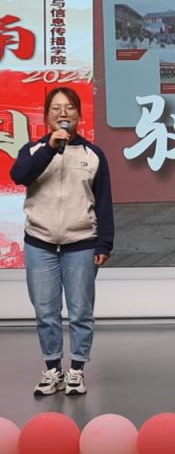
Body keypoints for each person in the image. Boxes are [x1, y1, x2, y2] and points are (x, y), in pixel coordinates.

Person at [10, 87, 114, 397]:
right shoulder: (33, 150)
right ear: (47, 117)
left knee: (80, 310)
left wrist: (104, 244)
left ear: (79, 115)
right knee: (46, 311)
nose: (62, 113)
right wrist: (50, 148)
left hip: (81, 242)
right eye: (55, 109)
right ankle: (52, 369)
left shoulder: (93, 155)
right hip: (40, 242)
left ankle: (77, 370)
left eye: (69, 108)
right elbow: (20, 176)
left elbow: (104, 202)